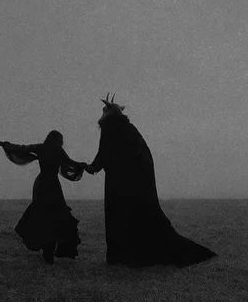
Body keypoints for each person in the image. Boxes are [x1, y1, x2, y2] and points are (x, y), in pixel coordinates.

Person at [83, 94, 217, 267]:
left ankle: (124, 257)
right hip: (136, 185)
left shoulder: (110, 129)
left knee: (121, 216)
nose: (101, 115)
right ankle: (134, 256)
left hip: (119, 184)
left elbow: (104, 153)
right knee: (139, 217)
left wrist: (91, 167)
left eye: (104, 111)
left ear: (109, 114)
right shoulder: (130, 129)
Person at [0, 130, 85, 264]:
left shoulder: (41, 147)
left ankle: (46, 251)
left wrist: (0, 143)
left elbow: (21, 148)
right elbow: (70, 163)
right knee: (56, 216)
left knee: (42, 216)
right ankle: (49, 253)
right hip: (53, 185)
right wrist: (85, 166)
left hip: (41, 185)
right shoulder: (58, 150)